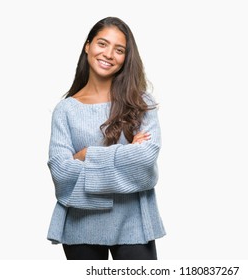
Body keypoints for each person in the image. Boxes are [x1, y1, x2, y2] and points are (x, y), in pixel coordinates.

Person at [46, 16, 165, 260]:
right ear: (87, 46)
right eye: (102, 44)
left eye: (119, 49)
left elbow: (144, 164)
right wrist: (125, 156)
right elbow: (61, 173)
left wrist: (85, 156)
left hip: (135, 226)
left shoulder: (141, 103)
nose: (109, 54)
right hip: (80, 226)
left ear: (125, 59)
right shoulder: (65, 110)